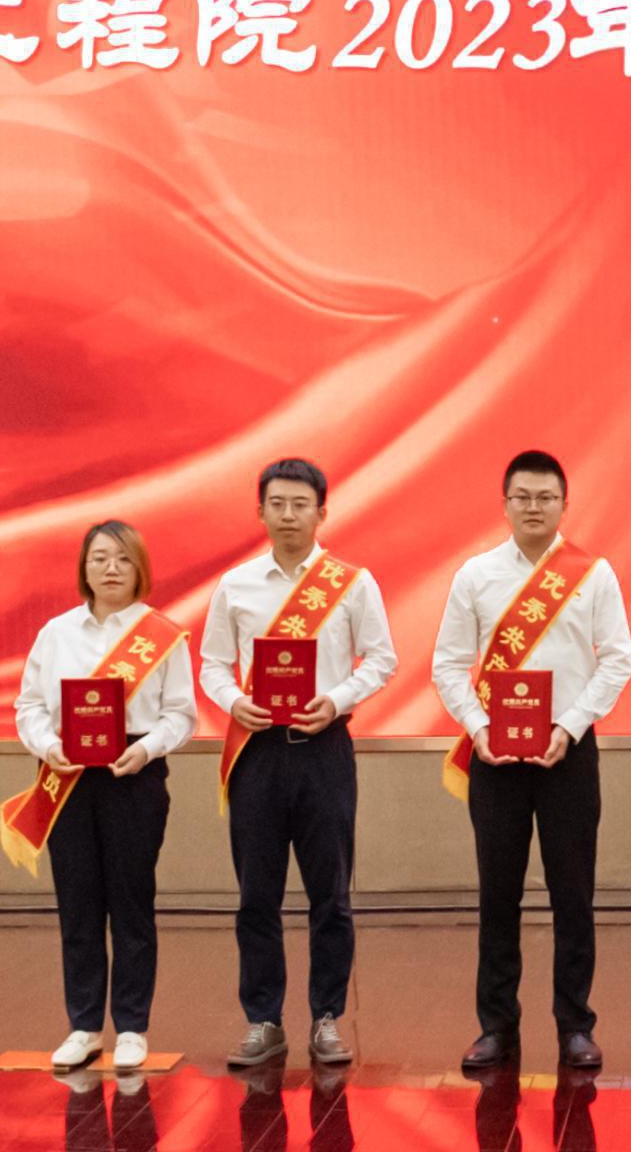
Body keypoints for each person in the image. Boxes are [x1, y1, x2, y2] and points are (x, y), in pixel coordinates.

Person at [432, 450, 631, 1074]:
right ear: (505, 504)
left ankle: (575, 1026)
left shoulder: (592, 575)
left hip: (567, 753)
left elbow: (618, 660)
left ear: (564, 505)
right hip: (495, 755)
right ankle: (496, 1027)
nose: (534, 507)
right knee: (498, 896)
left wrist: (569, 726)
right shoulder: (475, 575)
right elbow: (448, 665)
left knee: (573, 895)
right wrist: (479, 728)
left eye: (546, 497)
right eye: (522, 497)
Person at [199, 456, 398, 1070]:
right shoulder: (236, 585)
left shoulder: (353, 583)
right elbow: (212, 665)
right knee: (256, 896)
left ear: (321, 512)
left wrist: (336, 700)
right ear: (260, 511)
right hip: (257, 752)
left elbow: (381, 659)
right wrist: (235, 701)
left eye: (300, 504)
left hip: (325, 751)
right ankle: (263, 1020)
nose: (288, 515)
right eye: (277, 504)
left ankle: (327, 1018)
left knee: (330, 895)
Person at [6, 520, 195, 1073]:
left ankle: (132, 1027)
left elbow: (181, 714)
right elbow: (29, 707)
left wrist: (147, 749)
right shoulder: (56, 633)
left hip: (133, 774)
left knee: (131, 904)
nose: (111, 569)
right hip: (67, 775)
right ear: (84, 568)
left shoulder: (162, 636)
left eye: (122, 559)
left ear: (140, 569)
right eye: (99, 558)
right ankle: (84, 1026)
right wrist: (49, 746)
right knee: (78, 904)